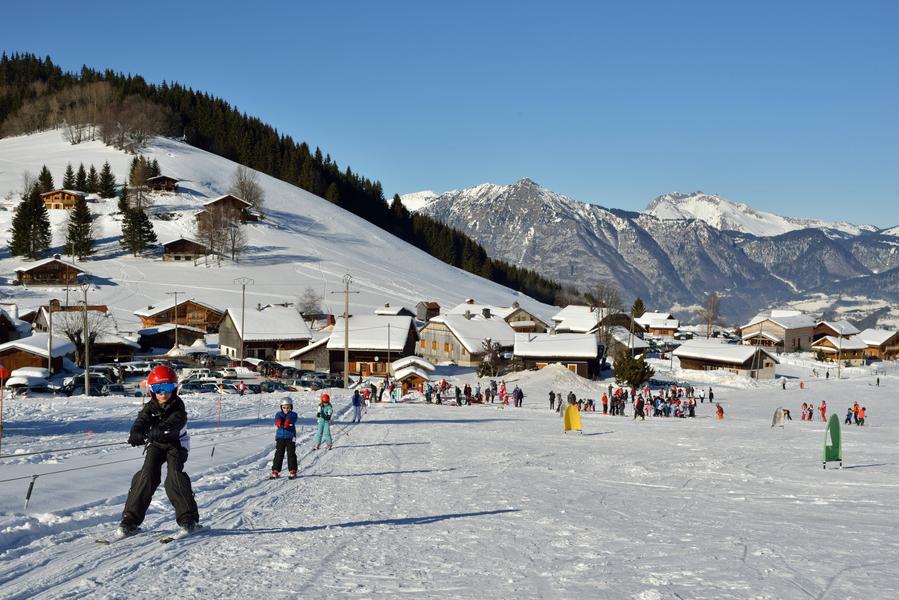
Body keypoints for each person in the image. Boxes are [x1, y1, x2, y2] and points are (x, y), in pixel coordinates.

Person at [117, 365, 199, 538]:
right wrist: (136, 433)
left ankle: (187, 518)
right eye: (159, 389)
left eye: (168, 388)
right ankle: (130, 520)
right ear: (152, 390)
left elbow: (175, 422)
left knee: (174, 476)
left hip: (177, 444)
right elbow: (141, 420)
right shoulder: (150, 406)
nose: (163, 394)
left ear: (175, 388)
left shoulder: (178, 406)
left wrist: (160, 429)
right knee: (146, 475)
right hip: (156, 445)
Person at [271, 399, 298, 479]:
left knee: (291, 454)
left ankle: (292, 470)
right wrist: (278, 422)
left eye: (288, 407)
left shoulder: (293, 414)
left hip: (290, 437)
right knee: (279, 454)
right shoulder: (278, 414)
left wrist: (288, 421)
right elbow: (277, 418)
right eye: (284, 407)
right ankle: (275, 470)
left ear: (291, 407)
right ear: (281, 408)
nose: (286, 409)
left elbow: (292, 418)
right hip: (280, 438)